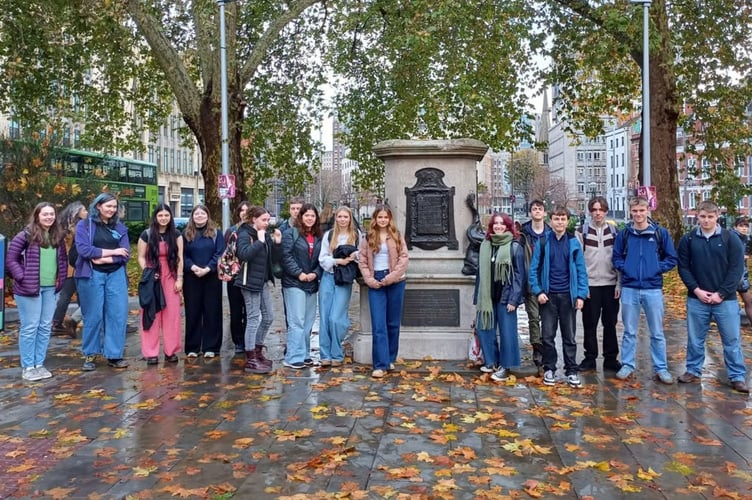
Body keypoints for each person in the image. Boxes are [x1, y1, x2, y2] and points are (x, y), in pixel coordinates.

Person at [676, 201, 749, 393]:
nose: (706, 220)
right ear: (697, 216)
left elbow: (736, 269)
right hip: (697, 297)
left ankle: (737, 376)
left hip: (725, 299)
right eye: (702, 216)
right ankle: (692, 370)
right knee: (695, 338)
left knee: (731, 339)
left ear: (717, 217)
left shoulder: (729, 239)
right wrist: (696, 290)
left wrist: (722, 293)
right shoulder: (689, 239)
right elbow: (683, 267)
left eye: (710, 217)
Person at [612, 196, 677, 384]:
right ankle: (628, 364)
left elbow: (671, 258)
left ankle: (661, 368)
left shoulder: (659, 233)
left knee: (656, 332)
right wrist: (626, 268)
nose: (638, 214)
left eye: (642, 210)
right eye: (635, 211)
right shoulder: (624, 234)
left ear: (648, 211)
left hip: (653, 288)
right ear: (630, 212)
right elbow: (616, 257)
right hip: (630, 287)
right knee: (629, 331)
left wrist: (656, 268)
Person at [6, 202, 68, 381]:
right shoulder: (25, 235)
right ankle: (28, 367)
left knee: (44, 326)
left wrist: (61, 280)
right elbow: (11, 259)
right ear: (37, 216)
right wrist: (22, 277)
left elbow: (62, 260)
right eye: (45, 214)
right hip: (29, 289)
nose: (49, 217)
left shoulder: (58, 236)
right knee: (30, 326)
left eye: (52, 214)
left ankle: (39, 364)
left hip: (51, 288)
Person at [529, 205, 589, 388]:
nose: (560, 222)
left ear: (567, 221)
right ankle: (550, 368)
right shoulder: (543, 242)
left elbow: (581, 271)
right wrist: (538, 291)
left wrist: (581, 295)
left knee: (569, 336)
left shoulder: (573, 243)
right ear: (551, 220)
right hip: (548, 297)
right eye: (557, 218)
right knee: (547, 335)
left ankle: (571, 370)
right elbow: (533, 270)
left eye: (563, 219)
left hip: (568, 296)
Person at [74, 193, 131, 371]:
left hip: (116, 275)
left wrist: (102, 258)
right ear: (98, 206)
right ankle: (90, 354)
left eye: (114, 207)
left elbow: (126, 253)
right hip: (91, 275)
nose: (111, 210)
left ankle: (114, 355)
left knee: (117, 315)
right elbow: (84, 250)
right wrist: (112, 253)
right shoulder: (85, 225)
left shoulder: (119, 227)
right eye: (108, 206)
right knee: (93, 315)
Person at [358, 205, 409, 379]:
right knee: (379, 324)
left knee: (393, 323)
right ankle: (379, 365)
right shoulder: (368, 237)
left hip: (395, 280)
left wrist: (393, 276)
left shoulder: (396, 235)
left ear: (389, 219)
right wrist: (369, 279)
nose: (382, 220)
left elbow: (404, 258)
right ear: (375, 219)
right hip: (376, 281)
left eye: (385, 217)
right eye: (379, 217)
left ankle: (389, 358)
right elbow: (363, 260)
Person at [474, 213, 526, 382]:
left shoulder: (515, 247)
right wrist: (478, 297)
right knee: (484, 328)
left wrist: (514, 299)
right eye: (495, 224)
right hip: (487, 297)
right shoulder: (486, 245)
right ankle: (491, 362)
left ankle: (506, 366)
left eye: (502, 224)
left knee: (507, 333)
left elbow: (519, 276)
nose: (498, 226)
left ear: (508, 226)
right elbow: (480, 275)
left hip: (506, 298)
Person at [575, 196, 622, 373]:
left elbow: (619, 259)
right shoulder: (582, 232)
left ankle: (611, 358)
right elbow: (578, 262)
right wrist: (582, 286)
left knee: (610, 323)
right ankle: (590, 358)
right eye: (594, 210)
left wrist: (619, 284)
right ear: (590, 212)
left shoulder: (615, 232)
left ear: (606, 211)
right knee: (590, 323)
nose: (597, 213)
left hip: (610, 284)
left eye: (601, 210)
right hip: (591, 285)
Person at [235, 206, 282, 374]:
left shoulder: (264, 235)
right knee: (254, 318)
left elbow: (272, 259)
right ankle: (250, 358)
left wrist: (276, 243)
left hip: (261, 282)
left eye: (268, 220)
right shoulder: (244, 234)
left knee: (269, 316)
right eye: (263, 220)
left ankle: (258, 350)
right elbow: (244, 255)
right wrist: (260, 242)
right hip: (248, 283)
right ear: (253, 219)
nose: (266, 223)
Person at [137, 204, 184, 365]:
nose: (163, 218)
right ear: (155, 217)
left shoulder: (176, 235)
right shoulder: (147, 235)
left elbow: (180, 258)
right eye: (160, 215)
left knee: (172, 316)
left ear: (170, 217)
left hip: (170, 276)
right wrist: (148, 271)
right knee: (152, 314)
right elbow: (141, 257)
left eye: (166, 215)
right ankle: (151, 353)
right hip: (152, 277)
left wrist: (179, 279)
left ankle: (171, 351)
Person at [280, 202, 323, 369]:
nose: (310, 218)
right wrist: (299, 273)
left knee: (308, 322)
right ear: (301, 217)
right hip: (294, 282)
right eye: (306, 215)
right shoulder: (291, 234)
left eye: (312, 216)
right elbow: (286, 256)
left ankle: (305, 354)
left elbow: (321, 259)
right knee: (296, 320)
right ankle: (293, 356)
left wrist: (316, 273)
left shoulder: (319, 236)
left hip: (312, 283)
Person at [318, 206, 361, 367]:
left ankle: (337, 352)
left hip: (344, 278)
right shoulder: (329, 235)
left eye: (346, 217)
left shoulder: (356, 235)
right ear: (336, 218)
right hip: (329, 276)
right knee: (324, 316)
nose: (342, 219)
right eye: (340, 217)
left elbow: (361, 254)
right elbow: (323, 259)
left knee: (336, 318)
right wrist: (337, 261)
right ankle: (325, 354)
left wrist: (353, 256)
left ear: (350, 219)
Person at [182, 205, 225, 359]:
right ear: (192, 217)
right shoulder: (186, 234)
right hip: (191, 277)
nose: (199, 216)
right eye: (196, 214)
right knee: (193, 312)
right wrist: (192, 267)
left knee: (212, 312)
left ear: (207, 216)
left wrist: (208, 268)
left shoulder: (216, 233)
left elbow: (220, 253)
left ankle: (211, 346)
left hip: (211, 277)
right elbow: (182, 255)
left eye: (202, 213)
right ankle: (192, 347)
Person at [518, 200, 551, 374]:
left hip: (548, 283)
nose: (537, 211)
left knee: (548, 319)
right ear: (530, 212)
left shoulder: (551, 233)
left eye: (540, 209)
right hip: (530, 284)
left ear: (545, 213)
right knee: (533, 318)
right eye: (534, 209)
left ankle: (547, 350)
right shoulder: (523, 234)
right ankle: (538, 351)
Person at [51, 201, 87, 338]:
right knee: (68, 296)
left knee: (74, 296)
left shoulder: (63, 227)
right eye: (83, 210)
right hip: (72, 267)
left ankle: (61, 323)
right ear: (76, 212)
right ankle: (60, 323)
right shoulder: (75, 228)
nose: (86, 212)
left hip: (70, 267)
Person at [226, 201, 251, 354]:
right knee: (236, 311)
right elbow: (225, 254)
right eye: (241, 210)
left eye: (247, 210)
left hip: (251, 277)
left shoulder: (256, 230)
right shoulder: (231, 231)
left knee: (250, 311)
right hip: (235, 277)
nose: (244, 213)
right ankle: (238, 342)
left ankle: (249, 340)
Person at [730, 217, 752, 323]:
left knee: (749, 301)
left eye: (746, 226)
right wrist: (740, 257)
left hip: (742, 275)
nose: (744, 228)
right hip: (731, 275)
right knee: (732, 303)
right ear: (735, 227)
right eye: (741, 226)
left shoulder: (746, 238)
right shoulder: (732, 237)